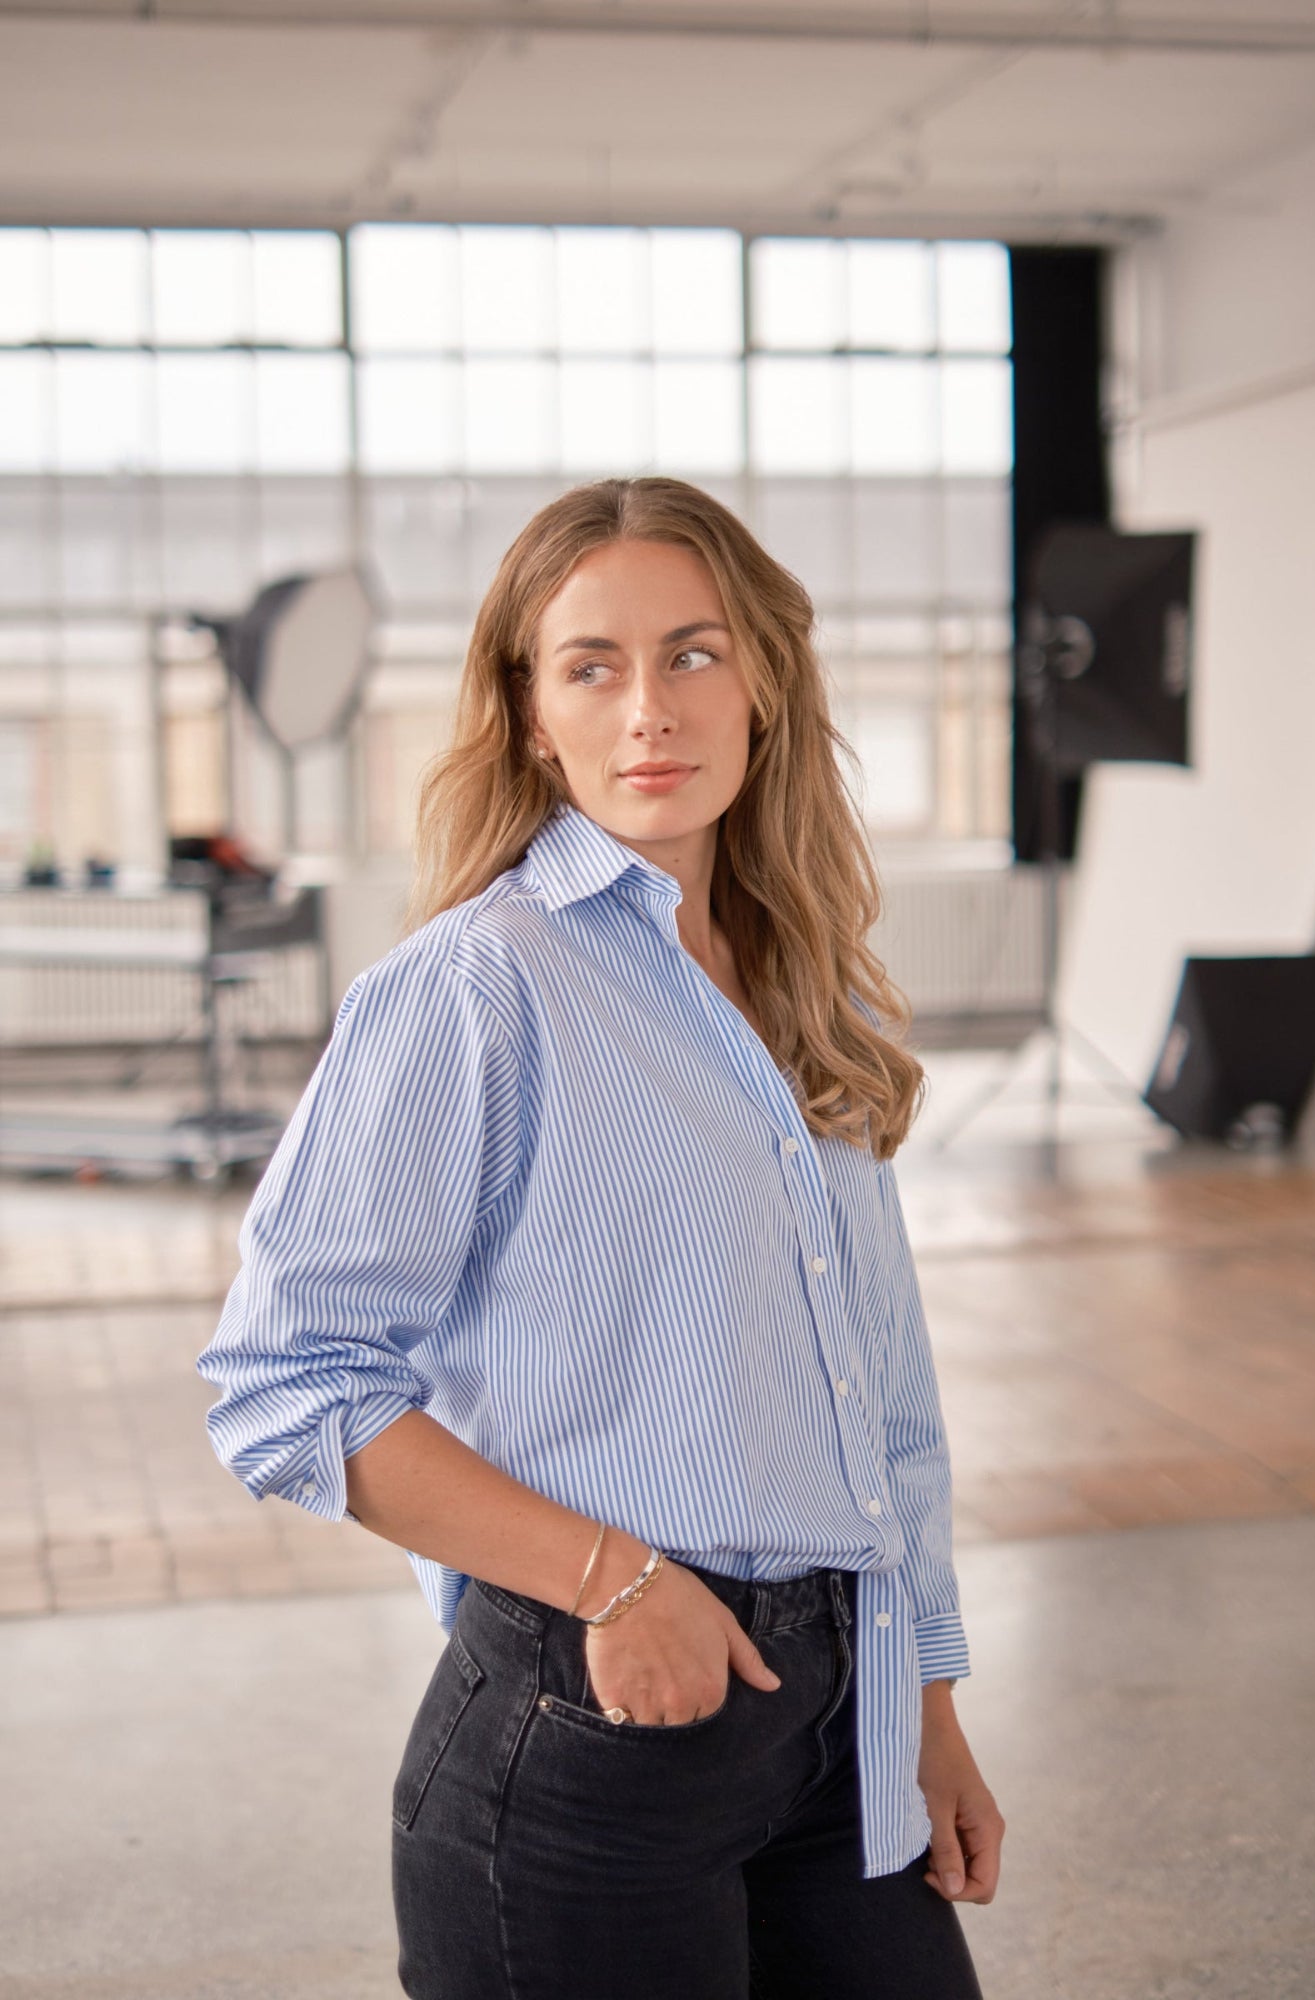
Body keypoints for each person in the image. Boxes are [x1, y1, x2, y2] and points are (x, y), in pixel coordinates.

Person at [198, 476, 1004, 2000]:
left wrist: (927, 1705)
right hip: (589, 1737)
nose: (651, 707)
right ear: (528, 709)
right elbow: (284, 1379)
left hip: (839, 1723)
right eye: (592, 665)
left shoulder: (798, 990)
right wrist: (615, 1582)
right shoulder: (471, 991)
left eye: (694, 654)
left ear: (762, 685)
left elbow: (883, 1402)